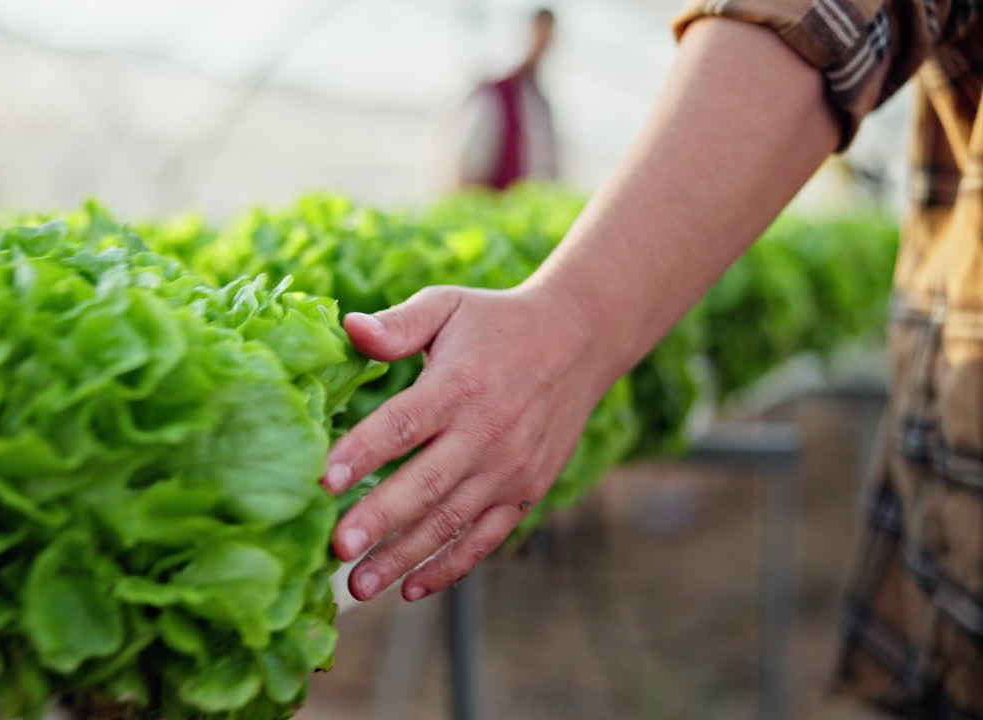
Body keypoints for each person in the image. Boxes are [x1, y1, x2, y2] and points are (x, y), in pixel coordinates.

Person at [323, 0, 983, 715]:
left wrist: (564, 334)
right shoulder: (496, 100)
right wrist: (567, 322)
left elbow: (827, 19)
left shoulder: (537, 104)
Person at [453, 7, 559, 190]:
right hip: (494, 203)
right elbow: (469, 165)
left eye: (548, 38)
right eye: (539, 35)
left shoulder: (540, 99)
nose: (543, 45)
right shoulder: (496, 94)